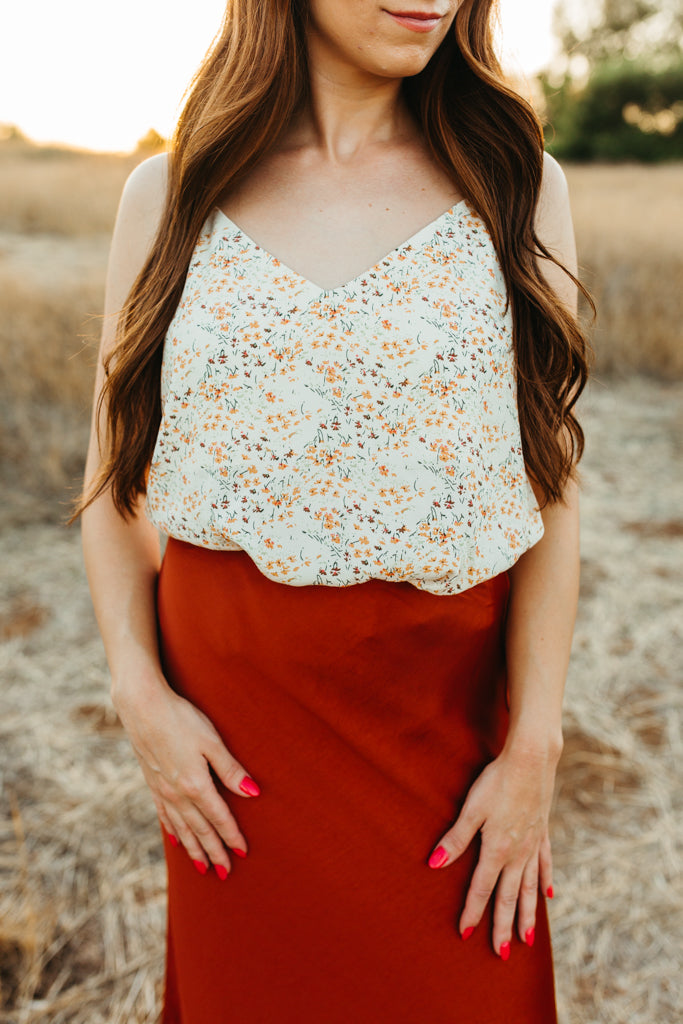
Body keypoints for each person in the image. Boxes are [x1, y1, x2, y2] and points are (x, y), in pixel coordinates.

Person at [73, 1, 591, 1020]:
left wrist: (535, 743)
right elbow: (109, 480)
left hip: (438, 735)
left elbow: (550, 486)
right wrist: (139, 692)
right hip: (236, 754)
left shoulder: (516, 183)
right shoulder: (170, 193)